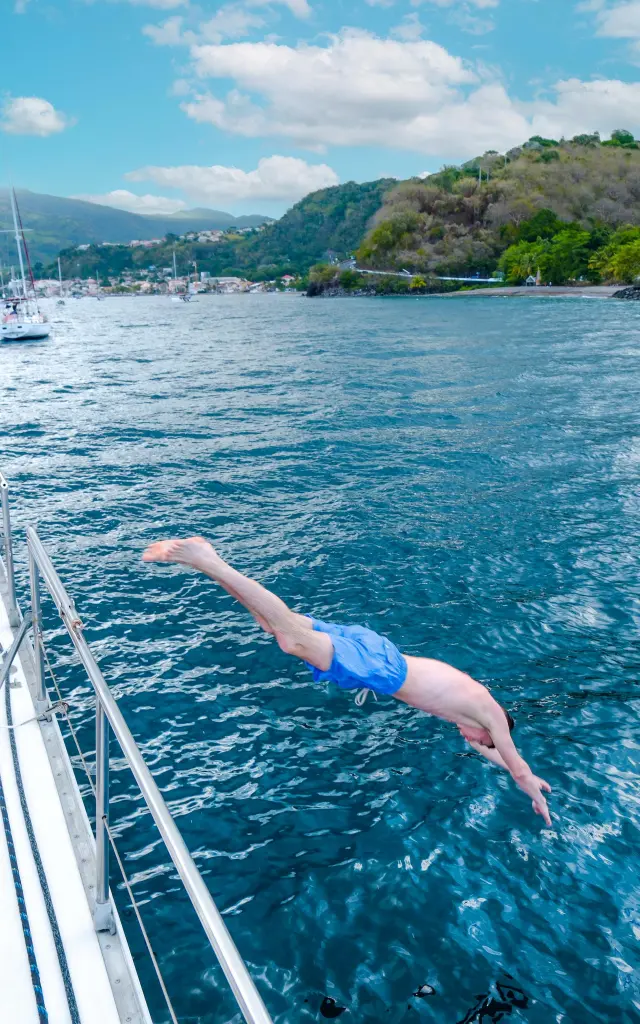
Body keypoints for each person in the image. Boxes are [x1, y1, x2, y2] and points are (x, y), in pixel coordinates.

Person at [142, 537, 552, 826]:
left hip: (381, 651)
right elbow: (513, 762)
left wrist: (518, 767)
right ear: (490, 732)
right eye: (480, 739)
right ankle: (207, 559)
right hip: (383, 669)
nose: (469, 739)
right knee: (289, 636)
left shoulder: (473, 715)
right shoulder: (490, 716)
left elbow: (492, 755)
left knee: (276, 629)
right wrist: (532, 789)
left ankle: (203, 563)